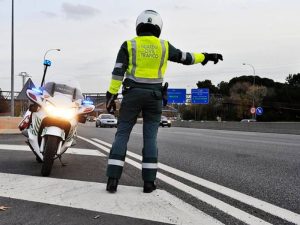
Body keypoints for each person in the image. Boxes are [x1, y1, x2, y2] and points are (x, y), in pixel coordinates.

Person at [105, 10, 223, 193]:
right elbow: (186, 57)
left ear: (138, 26)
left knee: (122, 134)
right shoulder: (164, 46)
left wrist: (111, 95)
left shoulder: (129, 45)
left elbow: (118, 71)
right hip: (155, 97)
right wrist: (206, 56)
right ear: (158, 27)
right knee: (150, 138)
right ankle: (149, 183)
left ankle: (113, 180)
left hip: (132, 95)